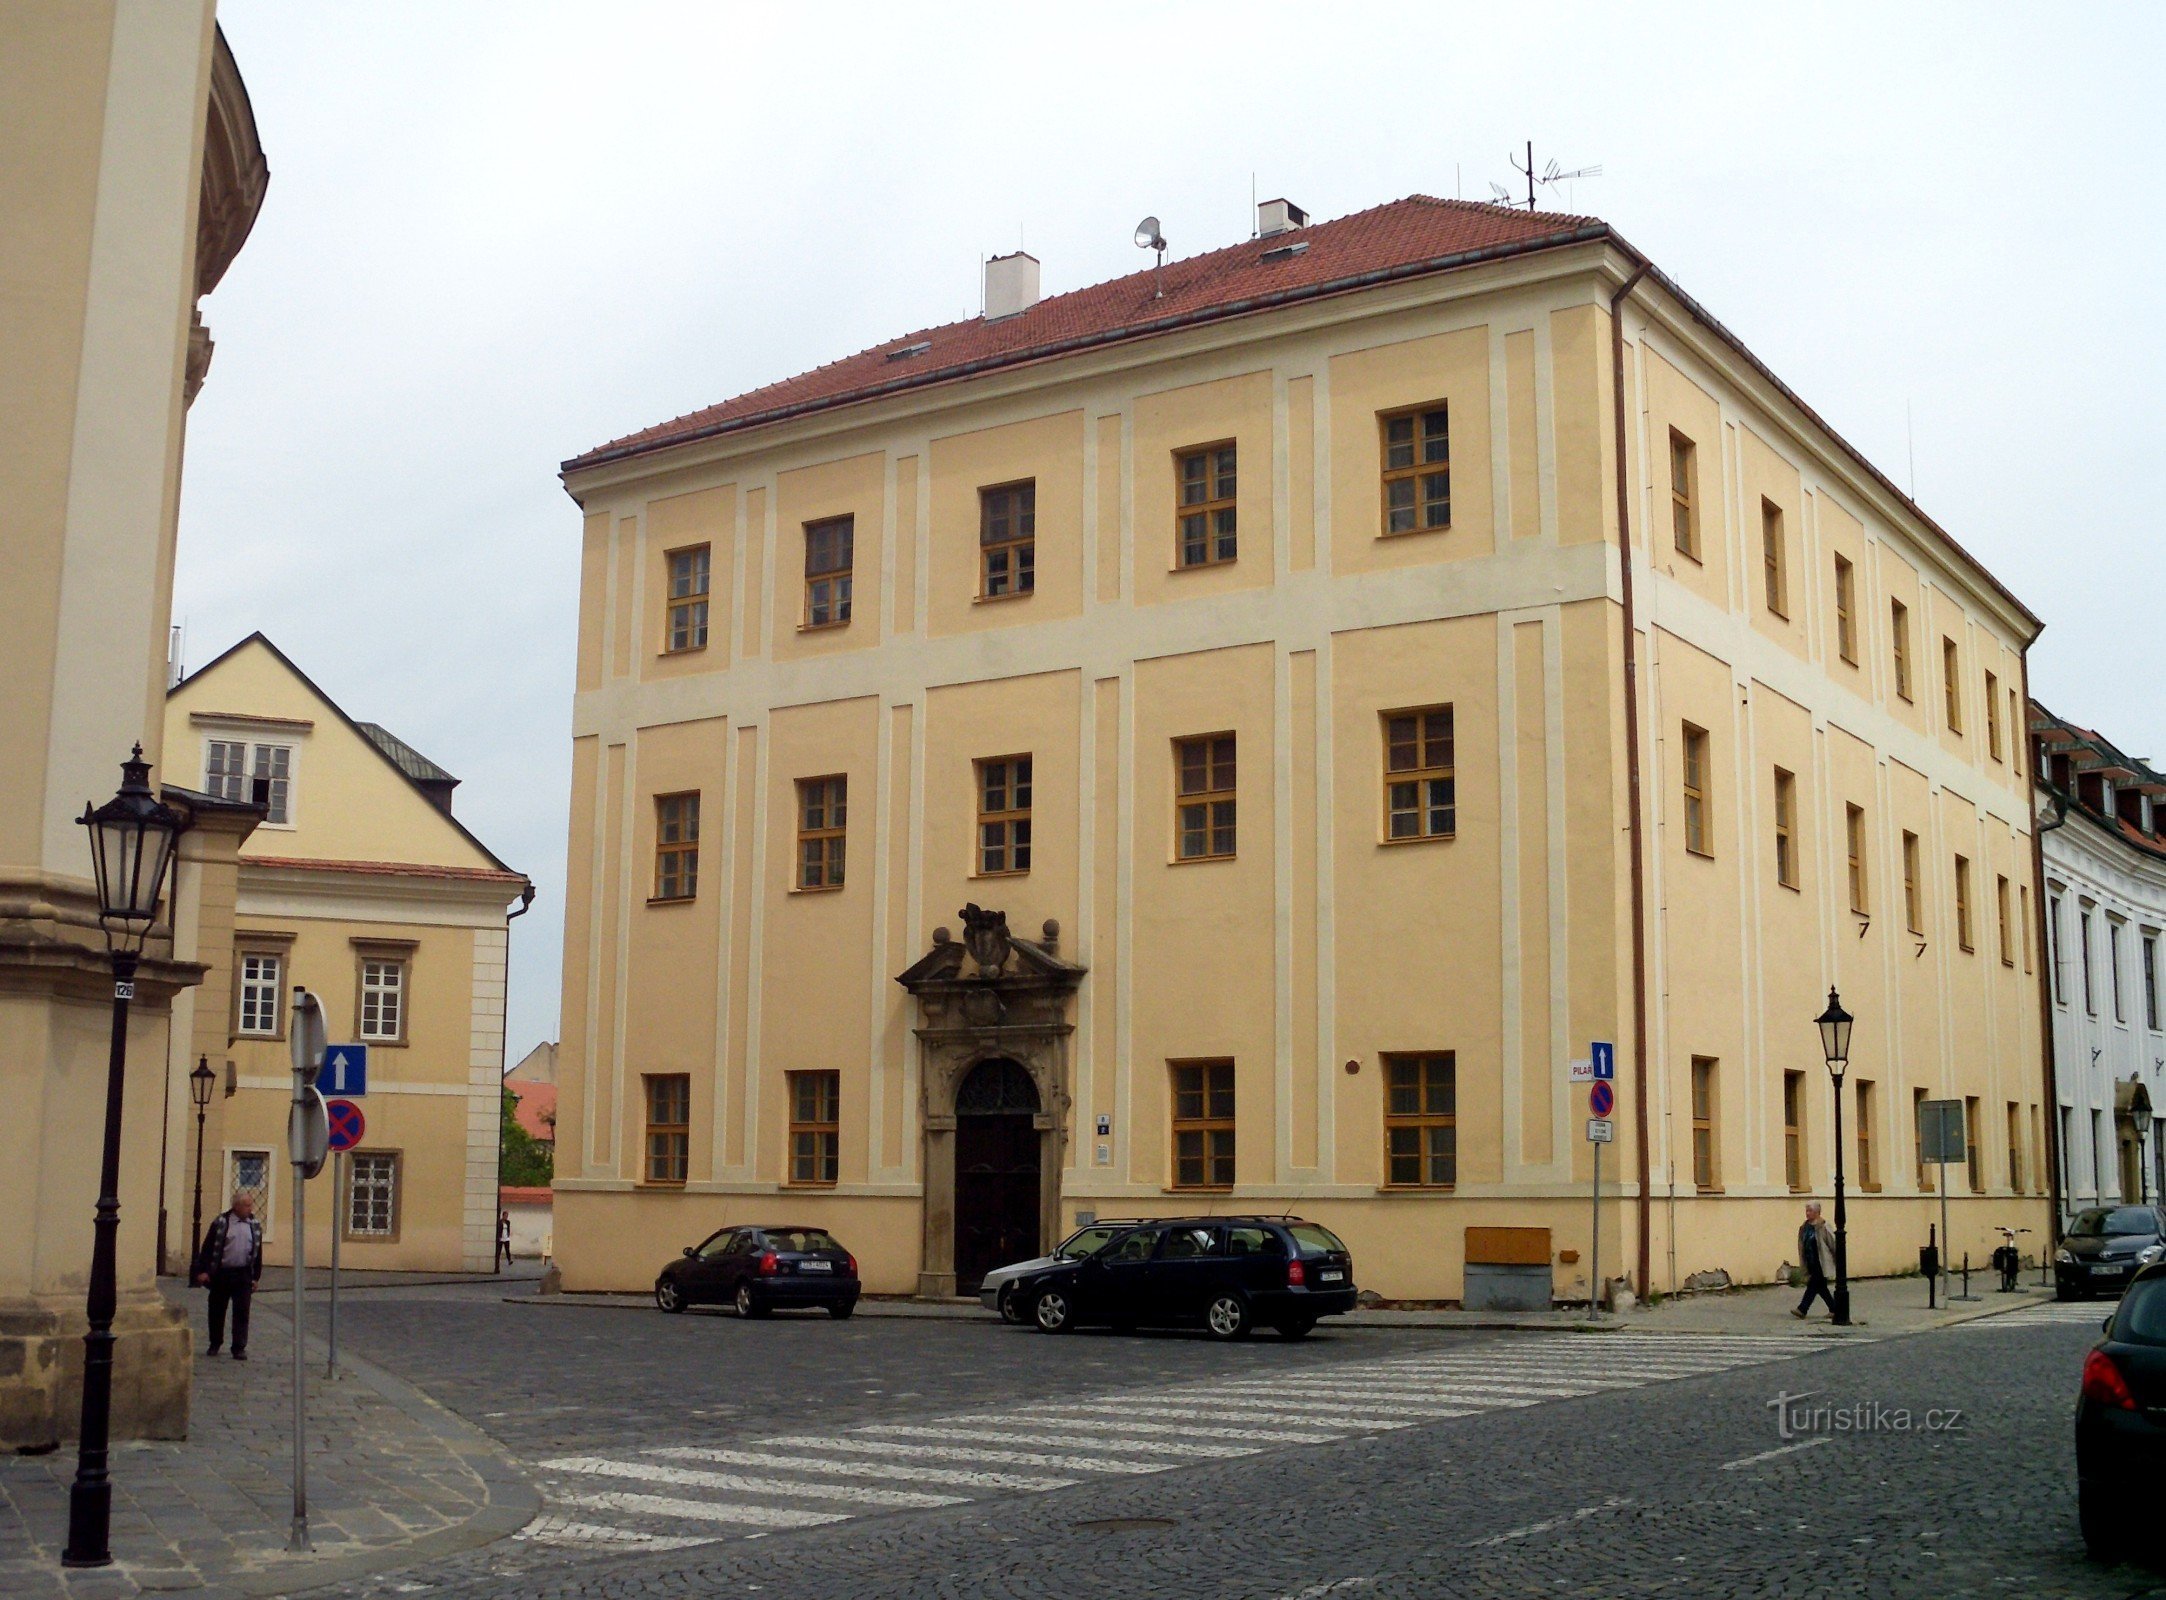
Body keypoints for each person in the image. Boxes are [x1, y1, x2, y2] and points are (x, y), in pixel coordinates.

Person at [194, 1191, 263, 1358]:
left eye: (250, 1204)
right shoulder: (221, 1222)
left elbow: (258, 1252)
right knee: (217, 1310)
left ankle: (239, 1347)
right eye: (246, 1205)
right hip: (222, 1273)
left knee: (242, 1311)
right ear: (236, 1206)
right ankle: (215, 1343)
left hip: (243, 1273)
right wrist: (202, 1270)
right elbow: (208, 1247)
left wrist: (255, 1277)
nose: (250, 1208)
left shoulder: (254, 1224)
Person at [1792, 1200, 1838, 1319]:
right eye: (1807, 1211)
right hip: (1810, 1260)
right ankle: (1834, 1309)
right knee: (1821, 1287)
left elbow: (1833, 1243)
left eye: (1810, 1211)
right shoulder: (1805, 1226)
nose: (1807, 1213)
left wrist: (1837, 1259)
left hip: (1821, 1261)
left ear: (1817, 1212)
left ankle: (1802, 1308)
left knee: (1813, 1285)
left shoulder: (1823, 1226)